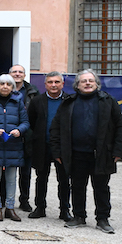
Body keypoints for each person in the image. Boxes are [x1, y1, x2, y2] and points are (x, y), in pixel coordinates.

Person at [50, 69, 122, 234]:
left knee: (101, 187)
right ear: (77, 85)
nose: (87, 83)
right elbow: (56, 128)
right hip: (76, 154)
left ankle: (102, 219)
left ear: (96, 84)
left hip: (101, 154)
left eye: (90, 81)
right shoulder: (68, 103)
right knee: (77, 186)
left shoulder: (108, 101)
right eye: (83, 81)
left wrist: (118, 151)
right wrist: (57, 152)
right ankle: (79, 216)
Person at [0, 74, 30, 222]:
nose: (5, 86)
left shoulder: (18, 103)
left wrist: (19, 130)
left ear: (12, 87)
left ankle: (10, 207)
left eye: (8, 84)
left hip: (13, 146)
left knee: (11, 178)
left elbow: (26, 122)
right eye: (2, 83)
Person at [27, 71, 72, 221]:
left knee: (64, 179)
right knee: (41, 178)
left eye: (57, 82)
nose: (53, 85)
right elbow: (31, 122)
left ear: (62, 84)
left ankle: (65, 210)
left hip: (62, 147)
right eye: (50, 82)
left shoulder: (70, 101)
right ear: (45, 84)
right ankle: (40, 207)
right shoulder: (37, 101)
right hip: (42, 145)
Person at [9, 64, 40, 212]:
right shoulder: (2, 89)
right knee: (7, 171)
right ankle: (5, 199)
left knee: (25, 172)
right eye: (14, 72)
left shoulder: (33, 92)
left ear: (24, 75)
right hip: (8, 136)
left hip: (27, 136)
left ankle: (24, 200)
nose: (17, 74)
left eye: (20, 72)